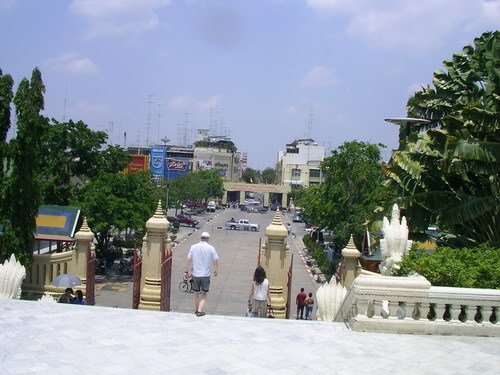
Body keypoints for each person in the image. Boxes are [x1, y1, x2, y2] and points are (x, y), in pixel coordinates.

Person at [184, 231, 219, 317]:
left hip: (195, 274)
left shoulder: (193, 247)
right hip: (205, 275)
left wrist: (185, 272)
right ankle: (200, 310)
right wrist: (216, 270)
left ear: (201, 238)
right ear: (208, 239)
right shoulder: (211, 248)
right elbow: (215, 261)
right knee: (204, 293)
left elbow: (188, 259)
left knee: (195, 293)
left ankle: (196, 309)